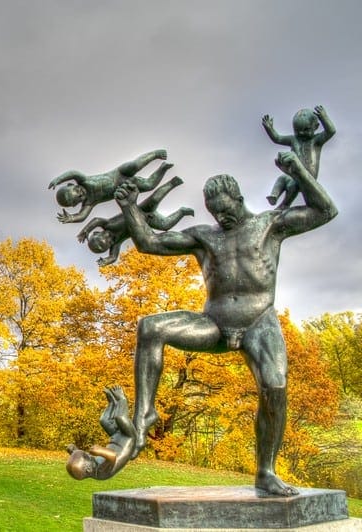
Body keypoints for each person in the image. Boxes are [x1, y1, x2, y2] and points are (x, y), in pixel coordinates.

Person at [113, 150, 337, 497]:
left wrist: (299, 173)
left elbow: (325, 210)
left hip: (258, 321)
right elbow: (149, 243)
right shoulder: (205, 236)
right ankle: (145, 415)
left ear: (239, 198)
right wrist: (129, 207)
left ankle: (266, 472)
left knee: (275, 388)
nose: (221, 216)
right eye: (215, 211)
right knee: (150, 327)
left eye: (226, 209)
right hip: (214, 323)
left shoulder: (269, 225)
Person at [77, 176, 194, 267]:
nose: (109, 238)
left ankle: (172, 183)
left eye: (105, 236)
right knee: (165, 225)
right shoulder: (116, 243)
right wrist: (106, 261)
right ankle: (182, 212)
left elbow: (96, 220)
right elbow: (113, 257)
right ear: (109, 246)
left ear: (98, 233)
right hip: (146, 223)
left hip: (139, 211)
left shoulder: (108, 224)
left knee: (154, 199)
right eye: (107, 243)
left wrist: (86, 231)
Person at [49, 149, 169, 224]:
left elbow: (74, 173)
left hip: (119, 174)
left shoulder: (84, 181)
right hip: (127, 186)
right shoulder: (90, 202)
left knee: (134, 165)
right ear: (76, 204)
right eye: (78, 197)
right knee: (149, 185)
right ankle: (163, 168)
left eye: (77, 190)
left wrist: (58, 179)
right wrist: (71, 218)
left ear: (72, 184)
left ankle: (155, 154)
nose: (81, 193)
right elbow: (82, 216)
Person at [262, 105, 335, 209]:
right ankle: (274, 195)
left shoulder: (316, 141)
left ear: (316, 127)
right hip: (294, 172)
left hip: (308, 175)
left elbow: (331, 131)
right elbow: (277, 138)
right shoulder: (293, 139)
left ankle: (285, 204)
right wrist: (269, 128)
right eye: (297, 130)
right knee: (282, 178)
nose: (301, 133)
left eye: (306, 130)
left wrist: (324, 117)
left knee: (294, 185)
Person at [66, 386, 136, 480]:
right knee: (119, 418)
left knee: (103, 420)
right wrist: (100, 451)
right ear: (88, 469)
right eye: (88, 457)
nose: (90, 456)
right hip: (128, 438)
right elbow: (112, 456)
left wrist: (74, 451)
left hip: (116, 436)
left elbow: (84, 458)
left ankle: (112, 403)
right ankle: (121, 399)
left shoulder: (92, 465)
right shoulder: (101, 472)